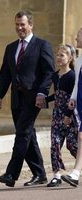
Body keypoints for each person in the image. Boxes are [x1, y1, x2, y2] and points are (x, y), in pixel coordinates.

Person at [0, 10, 55, 187]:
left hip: (34, 98)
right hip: (16, 98)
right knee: (28, 135)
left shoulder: (42, 45)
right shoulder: (11, 47)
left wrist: (42, 93)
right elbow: (5, 74)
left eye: (22, 24)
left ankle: (11, 174)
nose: (19, 27)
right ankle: (40, 174)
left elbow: (48, 72)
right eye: (17, 24)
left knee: (22, 133)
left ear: (30, 25)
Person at [46, 44, 78, 187]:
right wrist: (45, 100)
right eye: (57, 55)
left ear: (70, 58)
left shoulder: (72, 76)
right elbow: (57, 94)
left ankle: (79, 167)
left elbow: (73, 96)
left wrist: (68, 115)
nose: (58, 58)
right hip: (57, 115)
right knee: (55, 144)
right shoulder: (55, 75)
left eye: (62, 55)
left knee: (72, 145)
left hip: (70, 116)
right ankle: (56, 175)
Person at [61, 27, 82, 187]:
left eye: (79, 36)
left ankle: (75, 173)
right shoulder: (80, 59)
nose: (76, 40)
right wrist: (73, 99)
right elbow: (77, 83)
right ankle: (75, 173)